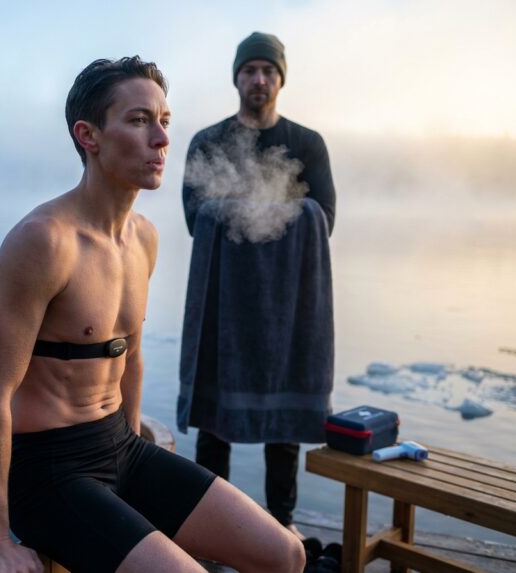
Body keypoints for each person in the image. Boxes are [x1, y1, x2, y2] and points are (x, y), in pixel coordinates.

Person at [0, 56, 305, 573]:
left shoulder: (143, 239)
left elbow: (131, 358)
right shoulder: (43, 242)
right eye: (139, 120)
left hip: (121, 447)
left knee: (286, 553)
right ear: (89, 136)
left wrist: (132, 476)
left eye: (165, 121)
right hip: (50, 471)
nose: (162, 140)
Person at [177, 32, 336, 539]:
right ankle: (210, 524)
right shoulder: (208, 142)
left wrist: (259, 215)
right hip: (223, 302)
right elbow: (192, 216)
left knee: (283, 423)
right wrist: (252, 213)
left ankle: (282, 523)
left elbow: (324, 216)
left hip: (288, 305)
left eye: (269, 70)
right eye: (250, 70)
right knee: (214, 421)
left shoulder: (306, 144)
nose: (259, 79)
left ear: (280, 78)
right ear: (237, 77)